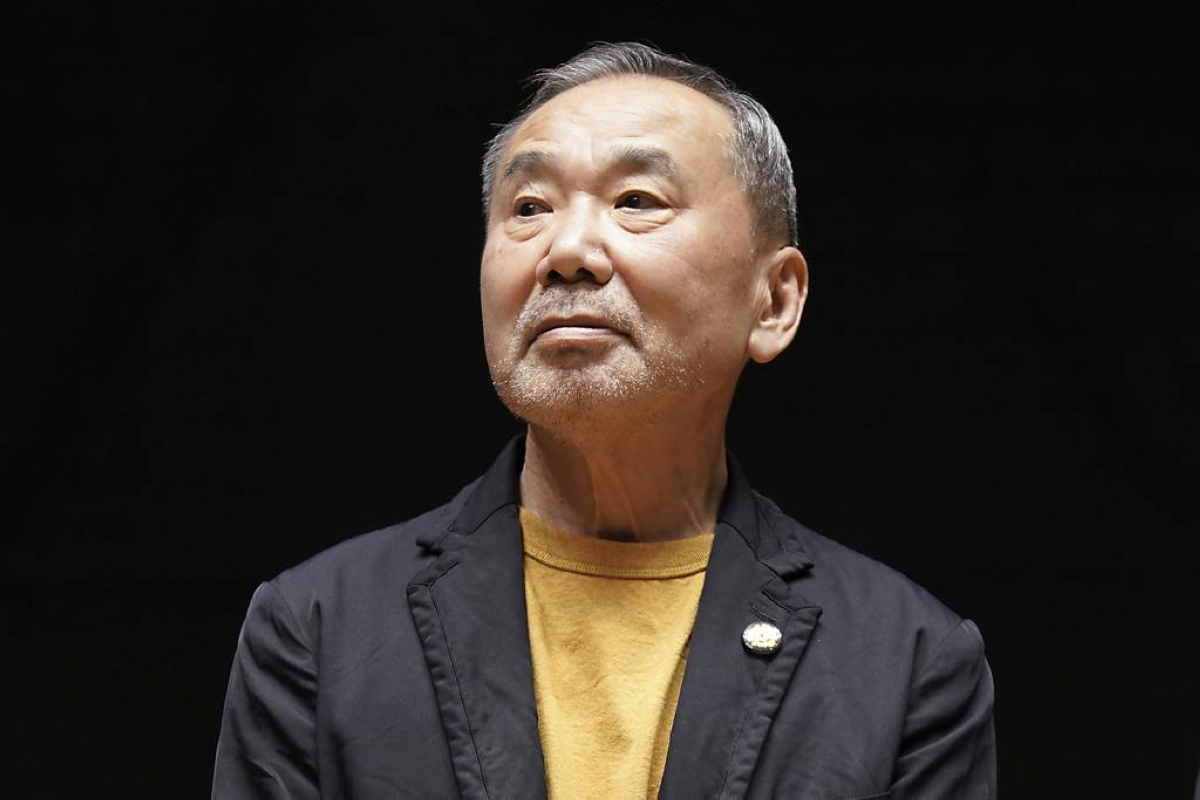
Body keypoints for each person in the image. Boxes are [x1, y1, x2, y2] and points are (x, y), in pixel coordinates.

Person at [212, 41, 996, 799]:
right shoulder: (321, 630)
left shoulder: (903, 661)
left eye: (636, 202)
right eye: (528, 208)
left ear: (775, 300)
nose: (568, 249)